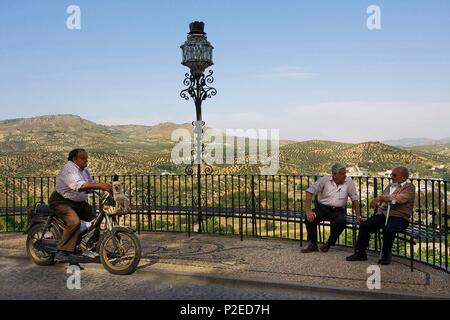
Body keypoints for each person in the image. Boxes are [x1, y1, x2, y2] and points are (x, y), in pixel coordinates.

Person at [49, 148, 112, 265]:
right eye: (83, 158)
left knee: (94, 220)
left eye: (86, 158)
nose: (86, 161)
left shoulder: (83, 170)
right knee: (74, 222)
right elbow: (79, 185)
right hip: (61, 201)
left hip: (77, 202)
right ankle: (62, 251)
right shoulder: (70, 169)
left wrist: (103, 187)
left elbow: (90, 182)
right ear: (74, 159)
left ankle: (92, 247)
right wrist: (100, 186)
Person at [346, 166, 415, 265]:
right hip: (384, 214)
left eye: (394, 175)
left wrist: (380, 198)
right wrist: (380, 207)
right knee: (365, 225)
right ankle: (360, 253)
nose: (392, 177)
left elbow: (399, 198)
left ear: (403, 177)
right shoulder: (390, 186)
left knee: (389, 229)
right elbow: (385, 200)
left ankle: (386, 255)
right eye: (391, 174)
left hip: (400, 217)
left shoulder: (409, 187)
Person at [301, 163, 361, 253]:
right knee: (309, 218)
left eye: (345, 173)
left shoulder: (349, 181)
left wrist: (358, 216)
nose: (345, 176)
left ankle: (328, 244)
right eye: (342, 174)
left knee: (341, 222)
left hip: (338, 211)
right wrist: (308, 211)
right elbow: (309, 192)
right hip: (322, 209)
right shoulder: (324, 180)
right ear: (334, 175)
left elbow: (355, 199)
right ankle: (312, 244)